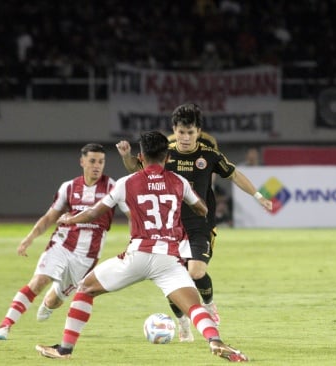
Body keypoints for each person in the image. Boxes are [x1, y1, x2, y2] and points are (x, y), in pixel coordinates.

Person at [35, 130, 248, 362]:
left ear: (140, 157)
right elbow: (202, 209)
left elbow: (94, 213)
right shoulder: (179, 181)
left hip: (137, 254)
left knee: (86, 288)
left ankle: (64, 349)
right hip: (168, 258)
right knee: (194, 306)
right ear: (167, 157)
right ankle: (215, 341)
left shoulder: (126, 183)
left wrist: (71, 218)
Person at [116, 103, 272, 342]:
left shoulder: (209, 155)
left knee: (196, 271)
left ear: (198, 132)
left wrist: (259, 196)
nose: (185, 138)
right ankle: (182, 324)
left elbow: (235, 174)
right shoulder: (164, 153)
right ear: (174, 130)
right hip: (170, 228)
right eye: (181, 132)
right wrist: (127, 156)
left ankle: (209, 304)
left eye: (190, 132)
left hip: (201, 223)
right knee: (173, 279)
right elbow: (136, 169)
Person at [0, 143, 128, 340]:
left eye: (101, 161)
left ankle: (48, 304)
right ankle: (4, 326)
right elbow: (49, 217)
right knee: (38, 281)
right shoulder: (69, 187)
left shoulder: (113, 187)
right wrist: (29, 238)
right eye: (92, 161)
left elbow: (132, 214)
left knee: (55, 300)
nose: (97, 166)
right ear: (82, 162)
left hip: (87, 256)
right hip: (62, 244)